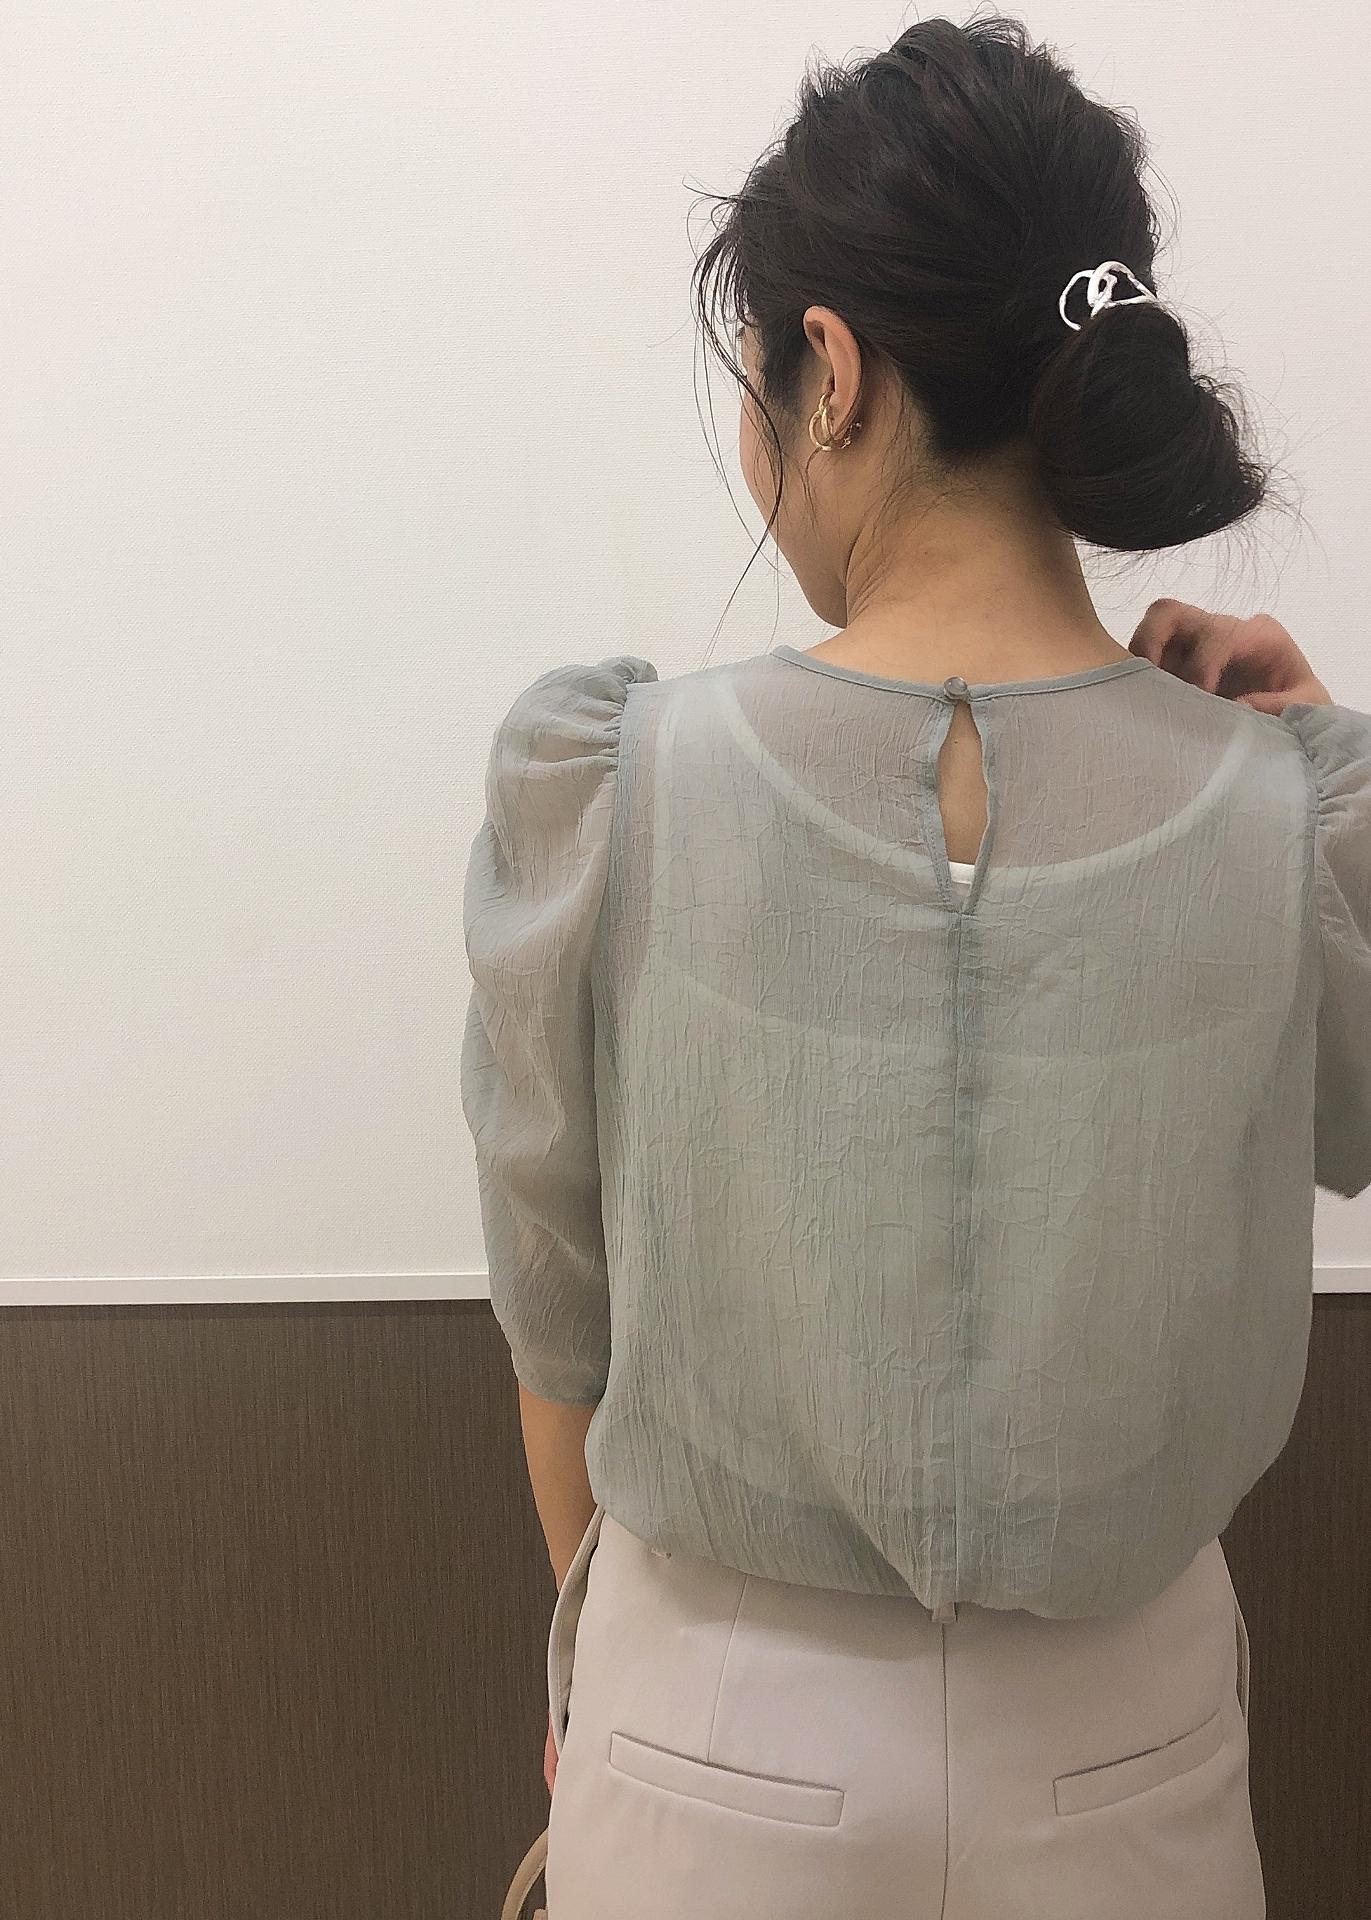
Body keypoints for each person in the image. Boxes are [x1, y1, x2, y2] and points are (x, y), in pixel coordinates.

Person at [460, 17, 1370, 1918]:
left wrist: (607, 1691)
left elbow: (561, 1322)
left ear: (836, 370)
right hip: (1129, 1749)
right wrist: (1321, 761)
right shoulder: (1289, 814)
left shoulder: (615, 785)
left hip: (708, 1728)